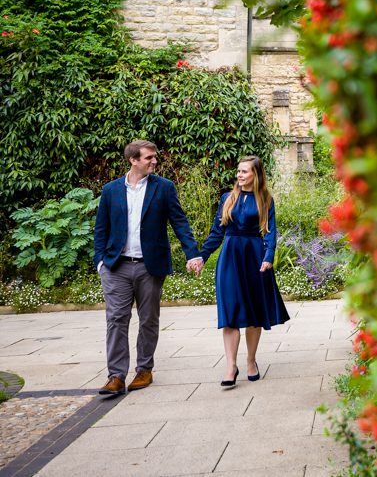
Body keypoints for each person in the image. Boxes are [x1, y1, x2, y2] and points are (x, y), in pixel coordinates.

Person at [93, 139, 204, 397]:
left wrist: (192, 254)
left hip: (149, 266)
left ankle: (144, 369)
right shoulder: (111, 190)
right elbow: (101, 228)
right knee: (116, 320)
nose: (154, 161)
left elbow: (179, 222)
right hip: (116, 266)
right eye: (149, 158)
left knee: (149, 319)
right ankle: (116, 376)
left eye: (155, 157)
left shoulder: (163, 188)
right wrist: (101, 261)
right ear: (133, 160)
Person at [199, 155, 291, 386]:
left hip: (254, 256)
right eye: (238, 171)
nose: (239, 175)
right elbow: (216, 232)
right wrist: (202, 256)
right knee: (229, 312)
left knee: (252, 313)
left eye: (244, 172)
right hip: (230, 257)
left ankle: (251, 360)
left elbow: (270, 232)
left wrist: (268, 257)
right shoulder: (227, 198)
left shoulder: (265, 199)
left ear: (256, 175)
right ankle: (231, 366)